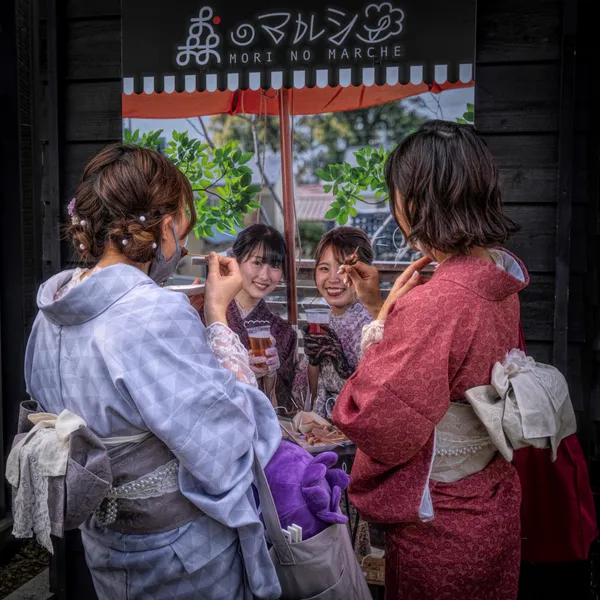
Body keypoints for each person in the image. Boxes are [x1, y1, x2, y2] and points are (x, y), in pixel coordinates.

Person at [23, 145, 282, 600]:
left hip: (104, 542)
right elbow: (230, 448)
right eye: (182, 232)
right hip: (185, 557)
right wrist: (217, 316)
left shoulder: (50, 313)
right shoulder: (154, 312)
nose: (181, 248)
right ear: (164, 228)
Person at [333, 120, 526, 600]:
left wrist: (383, 324)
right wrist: (386, 306)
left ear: (416, 203)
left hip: (442, 518)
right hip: (492, 496)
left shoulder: (437, 301)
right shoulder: (496, 273)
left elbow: (376, 419)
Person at [196, 224, 298, 412]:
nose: (265, 276)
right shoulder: (204, 314)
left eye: (274, 266)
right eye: (257, 262)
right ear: (236, 260)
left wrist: (269, 375)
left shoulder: (284, 333)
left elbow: (284, 407)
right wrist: (240, 365)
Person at [294, 227, 374, 421]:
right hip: (323, 428)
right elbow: (305, 396)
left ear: (364, 272)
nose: (333, 279)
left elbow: (376, 400)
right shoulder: (323, 320)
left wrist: (342, 365)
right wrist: (313, 361)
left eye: (343, 269)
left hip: (355, 434)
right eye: (324, 268)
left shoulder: (373, 324)